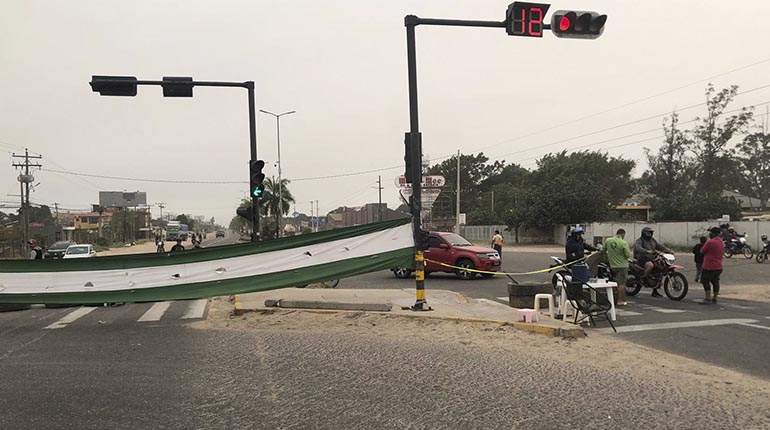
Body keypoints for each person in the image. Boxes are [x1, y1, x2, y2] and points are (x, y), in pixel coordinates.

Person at [633, 226, 672, 298]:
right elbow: (638, 248)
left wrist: (668, 251)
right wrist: (646, 251)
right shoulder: (639, 240)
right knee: (650, 265)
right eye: (648, 233)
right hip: (642, 258)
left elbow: (659, 246)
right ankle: (643, 278)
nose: (650, 234)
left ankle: (655, 291)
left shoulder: (652, 240)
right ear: (644, 233)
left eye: (651, 233)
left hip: (652, 258)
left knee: (659, 270)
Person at [603, 228, 631, 306]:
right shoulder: (623, 242)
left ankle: (613, 298)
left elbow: (603, 250)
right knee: (621, 284)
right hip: (622, 266)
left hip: (612, 266)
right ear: (623, 234)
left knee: (615, 283)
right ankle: (620, 301)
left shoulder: (608, 241)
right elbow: (627, 255)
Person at [699, 227, 725, 304]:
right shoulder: (721, 242)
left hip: (709, 266)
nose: (709, 234)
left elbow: (702, 251)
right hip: (718, 266)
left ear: (714, 234)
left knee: (705, 280)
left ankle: (708, 298)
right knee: (715, 281)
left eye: (710, 232)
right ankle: (715, 297)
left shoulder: (710, 242)